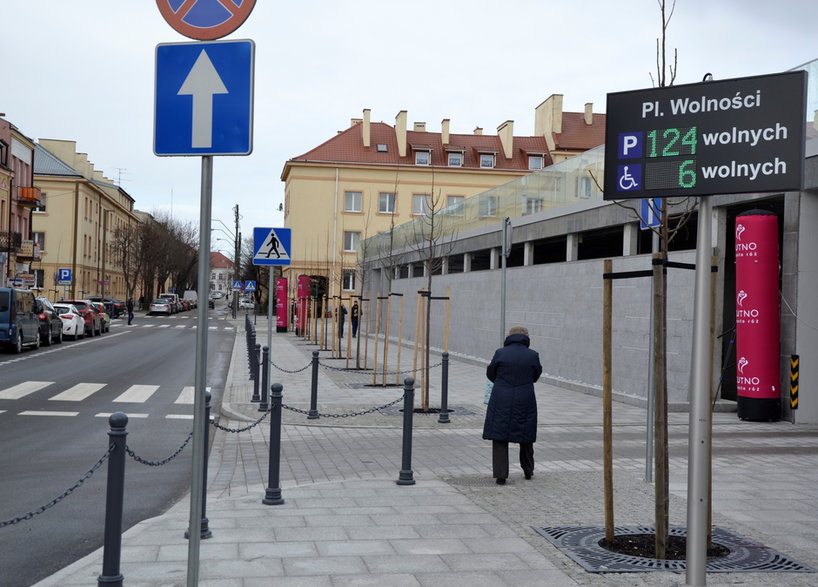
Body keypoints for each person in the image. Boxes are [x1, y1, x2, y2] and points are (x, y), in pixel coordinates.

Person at [482, 325, 542, 485]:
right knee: (526, 434)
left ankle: (501, 474)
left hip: (501, 397)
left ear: (509, 336)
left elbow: (490, 373)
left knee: (500, 435)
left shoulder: (500, 353)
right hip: (525, 398)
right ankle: (528, 470)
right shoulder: (533, 355)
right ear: (526, 337)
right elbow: (536, 375)